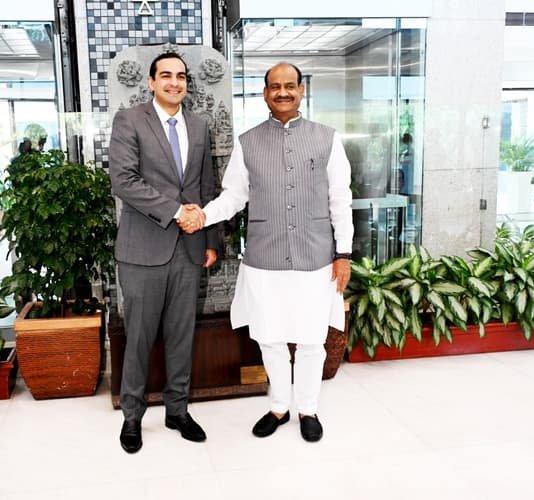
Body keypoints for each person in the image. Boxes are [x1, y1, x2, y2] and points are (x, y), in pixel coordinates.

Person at [181, 62, 353, 443]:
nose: (283, 92)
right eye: (275, 86)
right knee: (270, 337)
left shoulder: (327, 139)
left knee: (311, 339)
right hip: (264, 259)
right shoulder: (248, 142)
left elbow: (341, 199)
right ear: (265, 93)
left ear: (301, 90)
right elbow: (234, 197)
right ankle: (279, 405)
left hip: (315, 258)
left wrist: (344, 253)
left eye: (290, 86)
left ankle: (307, 408)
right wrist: (203, 215)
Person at [108, 52, 218, 454]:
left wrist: (210, 239)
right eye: (166, 75)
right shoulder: (130, 120)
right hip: (142, 249)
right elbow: (123, 180)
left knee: (181, 335)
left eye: (181, 76)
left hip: (189, 249)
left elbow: (206, 186)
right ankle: (132, 416)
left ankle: (177, 410)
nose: (175, 82)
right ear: (151, 82)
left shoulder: (199, 125)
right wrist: (176, 212)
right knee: (138, 337)